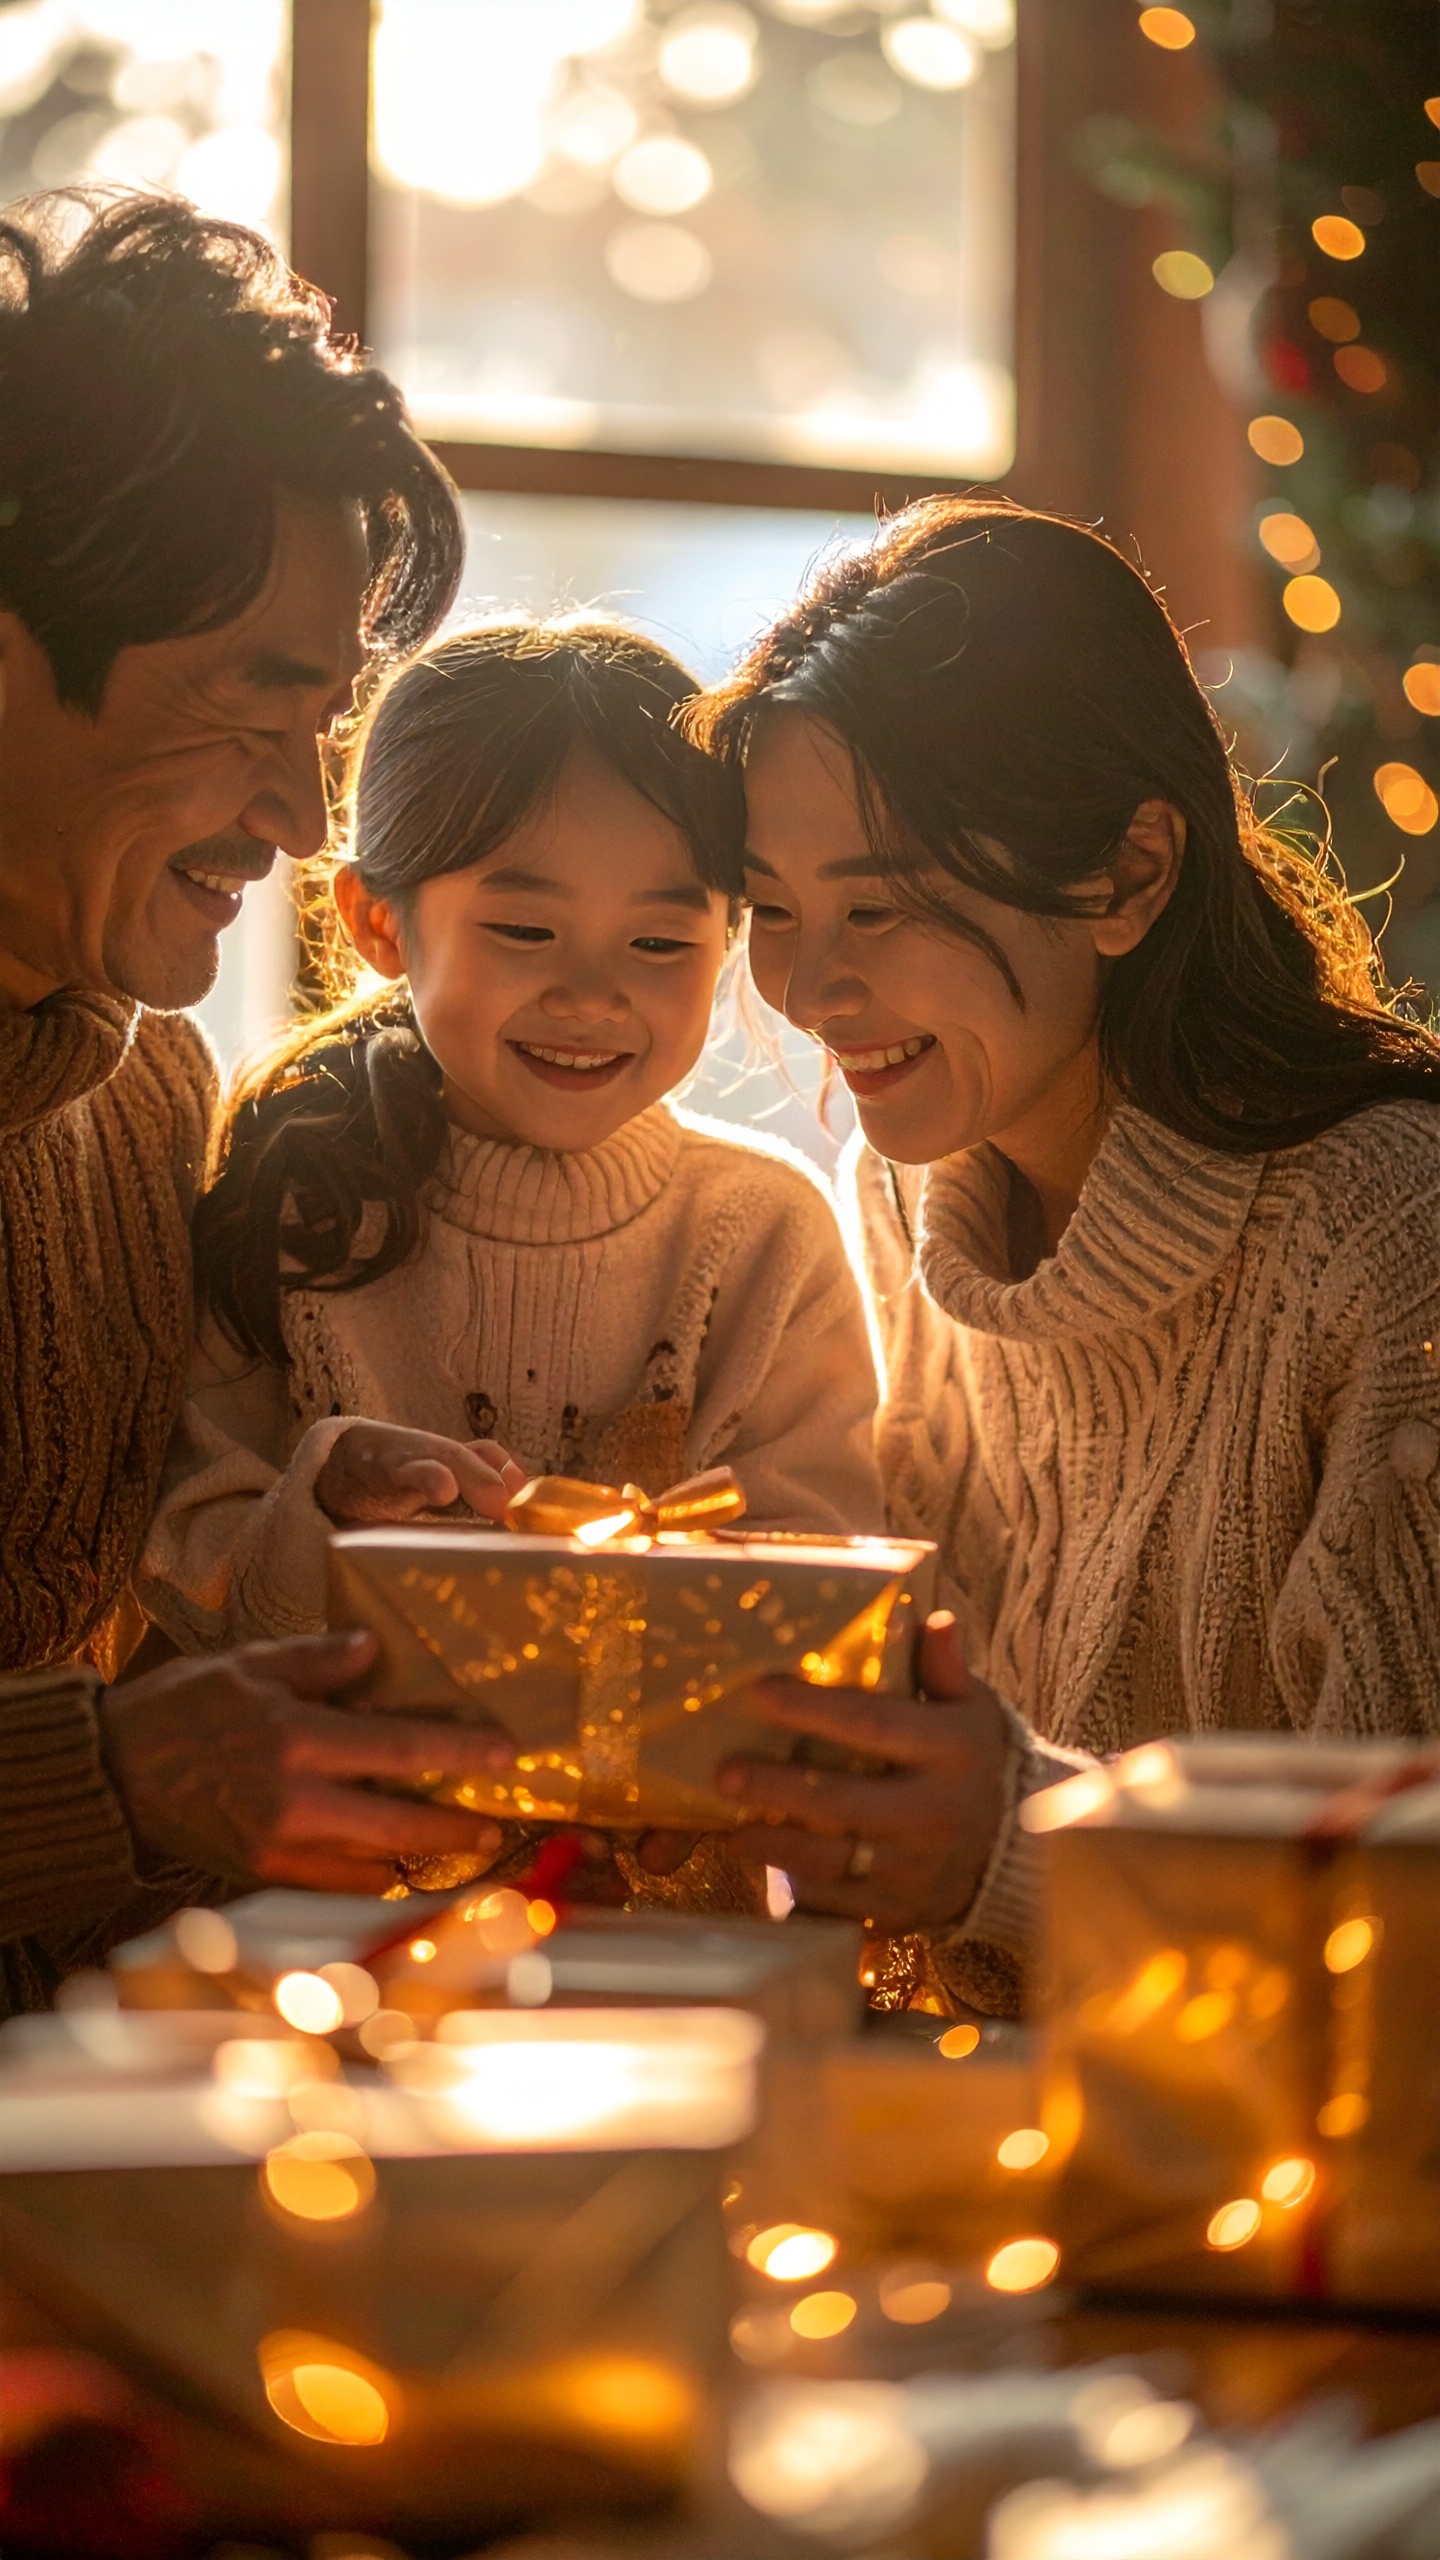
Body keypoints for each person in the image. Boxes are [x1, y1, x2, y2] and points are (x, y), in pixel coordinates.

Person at [673, 494, 1440, 2013]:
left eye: (877, 905)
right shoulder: (903, 1195)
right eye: (772, 907)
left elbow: (1413, 1930)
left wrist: (1012, 1844)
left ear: (1127, 877)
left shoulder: (1387, 1232)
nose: (811, 982)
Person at [139, 617, 885, 1908]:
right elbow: (195, 1587)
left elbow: (819, 1588)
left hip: (668, 1965)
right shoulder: (285, 1205)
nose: (593, 997)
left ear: (731, 935)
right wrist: (325, 1494)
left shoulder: (761, 1238)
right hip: (319, 1960)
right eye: (525, 933)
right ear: (378, 921)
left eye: (661, 944)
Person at [0, 192, 521, 2010]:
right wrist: (124, 1778)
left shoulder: (144, 1098)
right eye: (253, 701)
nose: (306, 822)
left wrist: (318, 1545)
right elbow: (107, 1763)